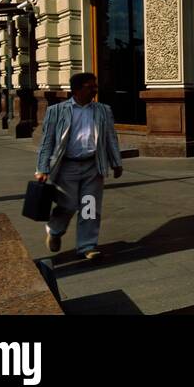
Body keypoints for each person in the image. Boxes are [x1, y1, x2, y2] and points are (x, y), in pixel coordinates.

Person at [35, 73, 124, 260]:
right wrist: (42, 168)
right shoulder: (57, 111)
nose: (95, 89)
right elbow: (46, 142)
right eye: (90, 86)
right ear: (77, 89)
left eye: (95, 86)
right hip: (67, 167)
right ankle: (55, 231)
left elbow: (110, 138)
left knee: (89, 207)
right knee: (67, 205)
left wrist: (116, 163)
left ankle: (87, 246)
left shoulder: (103, 110)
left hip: (93, 166)